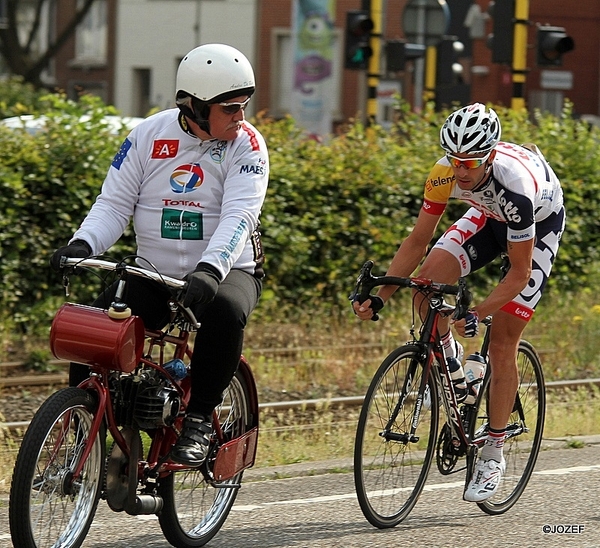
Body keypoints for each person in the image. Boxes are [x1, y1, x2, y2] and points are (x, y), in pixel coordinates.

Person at [50, 43, 269, 467]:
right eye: (230, 108)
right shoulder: (148, 136)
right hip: (156, 270)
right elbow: (113, 206)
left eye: (244, 105)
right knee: (95, 331)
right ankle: (83, 431)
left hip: (228, 269)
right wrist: (82, 245)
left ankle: (200, 418)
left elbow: (240, 215)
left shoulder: (248, 145)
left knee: (224, 312)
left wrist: (210, 269)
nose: (241, 117)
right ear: (195, 107)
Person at [353, 103, 565, 502]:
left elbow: (518, 274)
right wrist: (381, 296)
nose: (460, 170)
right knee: (425, 286)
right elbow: (418, 241)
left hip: (537, 221)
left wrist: (478, 313)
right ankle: (456, 371)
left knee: (502, 339)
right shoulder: (443, 173)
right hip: (487, 215)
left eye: (469, 162)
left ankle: (494, 452)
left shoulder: (516, 187)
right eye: (454, 160)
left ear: (489, 154)